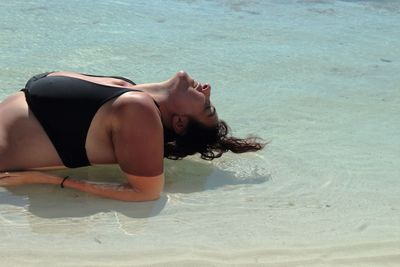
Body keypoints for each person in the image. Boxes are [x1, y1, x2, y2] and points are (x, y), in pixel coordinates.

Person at [0, 71, 265, 201]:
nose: (207, 89)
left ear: (180, 122)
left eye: (205, 105)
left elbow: (146, 192)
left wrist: (43, 180)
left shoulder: (139, 111)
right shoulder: (128, 88)